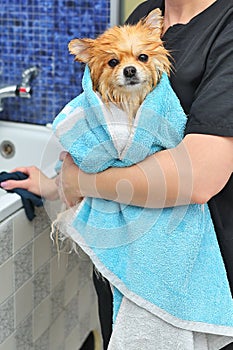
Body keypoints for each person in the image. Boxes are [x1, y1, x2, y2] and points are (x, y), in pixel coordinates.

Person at [1, 0, 233, 348]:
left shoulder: (226, 26)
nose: (129, 67)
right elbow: (110, 134)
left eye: (140, 58)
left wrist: (79, 181)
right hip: (122, 260)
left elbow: (198, 177)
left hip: (195, 264)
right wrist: (53, 184)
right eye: (117, 61)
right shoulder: (147, 12)